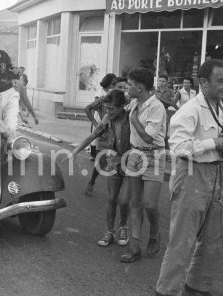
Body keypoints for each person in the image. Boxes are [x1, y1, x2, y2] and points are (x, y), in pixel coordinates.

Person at [155, 59, 223, 296]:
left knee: (214, 240)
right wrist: (214, 143)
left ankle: (197, 288)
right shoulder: (190, 109)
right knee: (182, 241)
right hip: (192, 173)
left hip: (216, 174)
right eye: (220, 81)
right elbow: (179, 146)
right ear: (204, 83)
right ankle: (168, 291)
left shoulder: (220, 106)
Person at [70, 89, 131, 247]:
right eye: (107, 109)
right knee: (112, 199)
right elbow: (93, 136)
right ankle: (110, 232)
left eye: (111, 109)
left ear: (121, 107)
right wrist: (75, 151)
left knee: (124, 200)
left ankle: (123, 227)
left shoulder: (131, 117)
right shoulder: (107, 119)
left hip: (131, 162)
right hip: (114, 161)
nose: (108, 112)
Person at [120, 68, 166, 263]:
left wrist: (133, 118)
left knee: (149, 203)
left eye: (129, 84)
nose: (127, 87)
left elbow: (148, 136)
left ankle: (154, 233)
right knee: (135, 202)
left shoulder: (156, 107)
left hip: (153, 155)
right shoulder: (133, 102)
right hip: (134, 154)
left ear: (139, 87)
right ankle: (135, 247)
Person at [82, 73, 117, 196]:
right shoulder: (103, 96)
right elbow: (88, 108)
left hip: (117, 134)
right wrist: (96, 123)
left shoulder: (122, 98)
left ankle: (115, 193)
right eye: (115, 83)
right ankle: (91, 182)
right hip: (103, 132)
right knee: (100, 162)